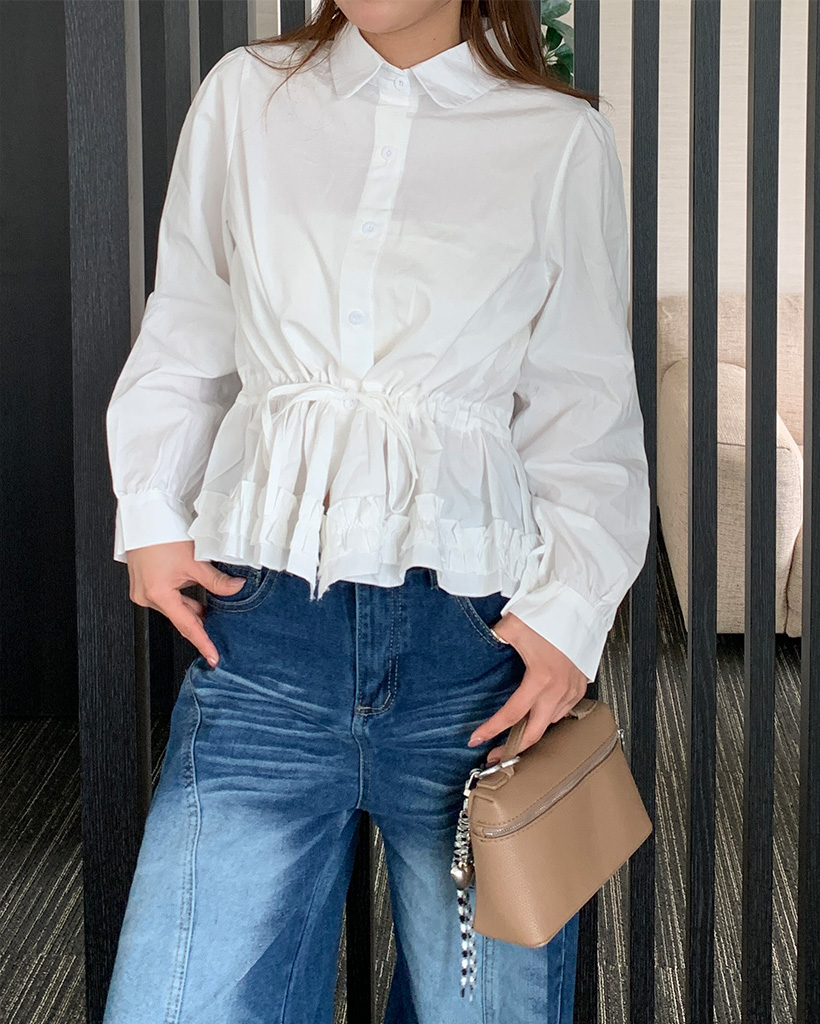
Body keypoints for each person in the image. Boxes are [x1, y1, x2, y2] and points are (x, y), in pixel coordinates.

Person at [101, 1, 651, 1022]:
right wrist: (152, 513)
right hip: (263, 647)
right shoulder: (246, 97)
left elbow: (583, 407)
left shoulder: (559, 139)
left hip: (472, 659)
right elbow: (186, 325)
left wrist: (569, 613)